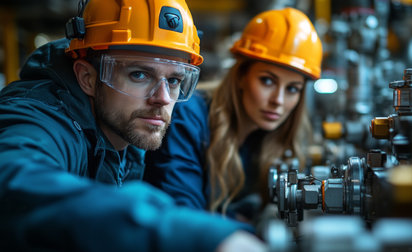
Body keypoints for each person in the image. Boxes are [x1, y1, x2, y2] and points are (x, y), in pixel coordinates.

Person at [0, 0, 268, 251]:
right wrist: (195, 235)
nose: (162, 98)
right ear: (88, 78)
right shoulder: (42, 117)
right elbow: (13, 180)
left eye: (174, 80)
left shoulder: (125, 128)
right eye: (139, 74)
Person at [145, 7, 323, 222]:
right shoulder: (188, 116)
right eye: (267, 80)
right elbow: (185, 216)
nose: (279, 100)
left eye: (292, 89)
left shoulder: (262, 137)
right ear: (240, 76)